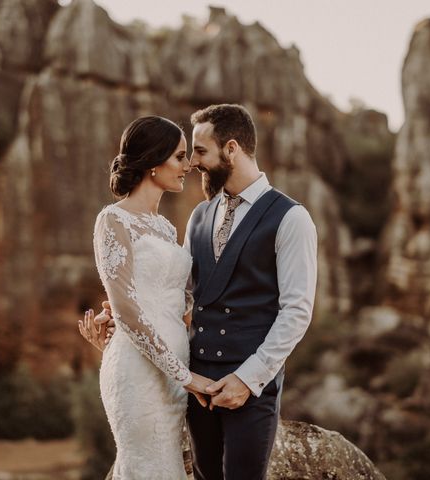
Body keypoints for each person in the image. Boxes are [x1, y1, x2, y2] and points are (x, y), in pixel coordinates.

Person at [84, 104, 317, 480]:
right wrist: (119, 330)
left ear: (231, 149)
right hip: (194, 385)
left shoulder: (291, 218)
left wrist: (249, 378)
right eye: (184, 154)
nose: (192, 163)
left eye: (199, 152)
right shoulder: (198, 217)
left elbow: (297, 311)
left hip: (248, 387)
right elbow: (184, 296)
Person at [78, 115, 215, 480]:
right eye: (179, 157)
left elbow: (177, 301)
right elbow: (125, 307)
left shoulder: (165, 228)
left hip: (173, 372)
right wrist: (186, 377)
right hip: (140, 374)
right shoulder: (113, 221)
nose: (188, 166)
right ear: (154, 162)